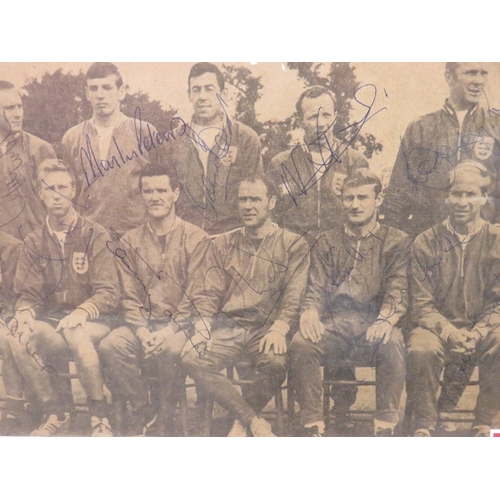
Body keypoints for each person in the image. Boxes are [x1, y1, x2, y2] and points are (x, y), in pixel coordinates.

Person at [181, 175, 310, 436]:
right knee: (192, 357)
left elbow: (294, 294)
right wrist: (203, 325)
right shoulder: (223, 243)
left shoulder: (293, 244)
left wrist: (280, 327)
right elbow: (209, 290)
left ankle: (241, 422)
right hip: (228, 327)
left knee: (276, 363)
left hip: (267, 328)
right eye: (243, 199)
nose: (248, 206)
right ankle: (253, 421)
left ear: (271, 202)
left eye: (255, 199)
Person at [289, 169, 410, 437]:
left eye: (363, 197)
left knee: (392, 342)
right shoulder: (326, 241)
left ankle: (385, 425)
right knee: (301, 341)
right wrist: (309, 313)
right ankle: (312, 423)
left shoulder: (396, 241)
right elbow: (315, 287)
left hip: (374, 321)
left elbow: (398, 287)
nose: (355, 205)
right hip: (336, 323)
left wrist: (386, 318)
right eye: (348, 198)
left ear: (378, 200)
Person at [7, 159, 119, 436]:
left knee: (77, 333)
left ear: (74, 191)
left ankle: (99, 417)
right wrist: (24, 313)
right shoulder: (34, 241)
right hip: (54, 322)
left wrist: (81, 312)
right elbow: (28, 293)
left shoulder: (94, 233)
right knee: (18, 336)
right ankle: (56, 412)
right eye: (49, 188)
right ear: (40, 194)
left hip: (95, 321)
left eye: (62, 187)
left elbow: (108, 291)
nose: (56, 195)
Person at [99, 163, 212, 436]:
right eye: (148, 191)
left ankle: (165, 415)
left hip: (180, 327)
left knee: (170, 350)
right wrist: (140, 330)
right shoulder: (129, 241)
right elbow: (128, 295)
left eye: (162, 190)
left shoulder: (196, 237)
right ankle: (143, 411)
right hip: (142, 325)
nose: (155, 197)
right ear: (141, 196)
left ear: (176, 193)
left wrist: (168, 331)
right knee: (111, 345)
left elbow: (196, 294)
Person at [406, 160, 500, 437]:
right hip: (436, 328)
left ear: (483, 197)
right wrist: (448, 331)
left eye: (470, 194)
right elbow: (421, 303)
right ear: (446, 197)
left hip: (483, 327)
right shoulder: (426, 242)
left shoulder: (496, 239)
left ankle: (486, 422)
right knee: (420, 347)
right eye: (456, 193)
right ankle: (423, 425)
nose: (462, 201)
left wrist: (479, 330)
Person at [382, 63, 500, 238]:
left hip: (483, 245)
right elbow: (398, 194)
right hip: (430, 244)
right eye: (471, 73)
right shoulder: (421, 128)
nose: (479, 81)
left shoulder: (496, 126)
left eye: (483, 74)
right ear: (449, 77)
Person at [160, 62, 263, 234]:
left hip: (233, 238)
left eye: (209, 89)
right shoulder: (172, 141)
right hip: (185, 239)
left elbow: (257, 194)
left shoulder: (245, 138)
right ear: (189, 95)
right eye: (196, 90)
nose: (202, 96)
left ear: (223, 94)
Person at [62, 62, 158, 236]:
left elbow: (159, 185)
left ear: (121, 91)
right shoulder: (72, 137)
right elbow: (68, 191)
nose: (100, 95)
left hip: (137, 235)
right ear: (87, 94)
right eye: (94, 88)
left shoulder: (144, 132)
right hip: (89, 235)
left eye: (107, 87)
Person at [267, 85, 369, 242]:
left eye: (326, 115)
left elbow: (365, 214)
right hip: (294, 255)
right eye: (313, 117)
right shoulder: (281, 164)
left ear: (335, 117)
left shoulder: (355, 161)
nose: (321, 123)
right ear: (300, 121)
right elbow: (271, 217)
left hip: (341, 252)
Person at [0, 80, 57, 238]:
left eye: (20, 106)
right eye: (10, 108)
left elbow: (56, 204)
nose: (18, 113)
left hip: (34, 247)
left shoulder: (40, 149)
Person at [0, 230, 29, 434]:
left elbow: (14, 294)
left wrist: (7, 317)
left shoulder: (12, 247)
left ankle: (14, 408)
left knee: (9, 338)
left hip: (3, 314)